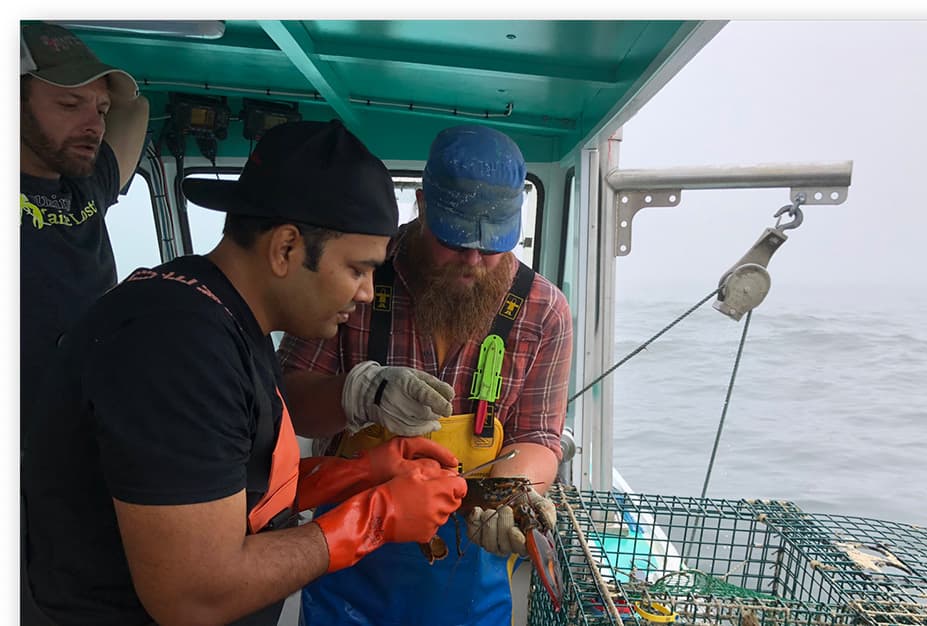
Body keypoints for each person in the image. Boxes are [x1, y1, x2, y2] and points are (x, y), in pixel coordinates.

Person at [20, 119, 468, 626]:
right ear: (286, 248)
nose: (366, 292)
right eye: (357, 269)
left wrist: (363, 474)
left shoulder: (224, 319)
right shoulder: (175, 345)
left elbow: (233, 492)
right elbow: (193, 594)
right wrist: (376, 518)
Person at [278, 124, 574, 625]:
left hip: (470, 581)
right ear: (422, 205)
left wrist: (510, 497)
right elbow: (287, 405)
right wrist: (358, 393)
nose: (474, 262)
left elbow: (539, 435)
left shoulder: (543, 310)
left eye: (492, 245)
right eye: (455, 241)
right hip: (348, 563)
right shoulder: (356, 273)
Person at [20, 21, 150, 412]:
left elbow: (137, 106)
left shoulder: (87, 185)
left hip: (82, 429)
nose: (94, 126)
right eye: (69, 105)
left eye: (102, 108)